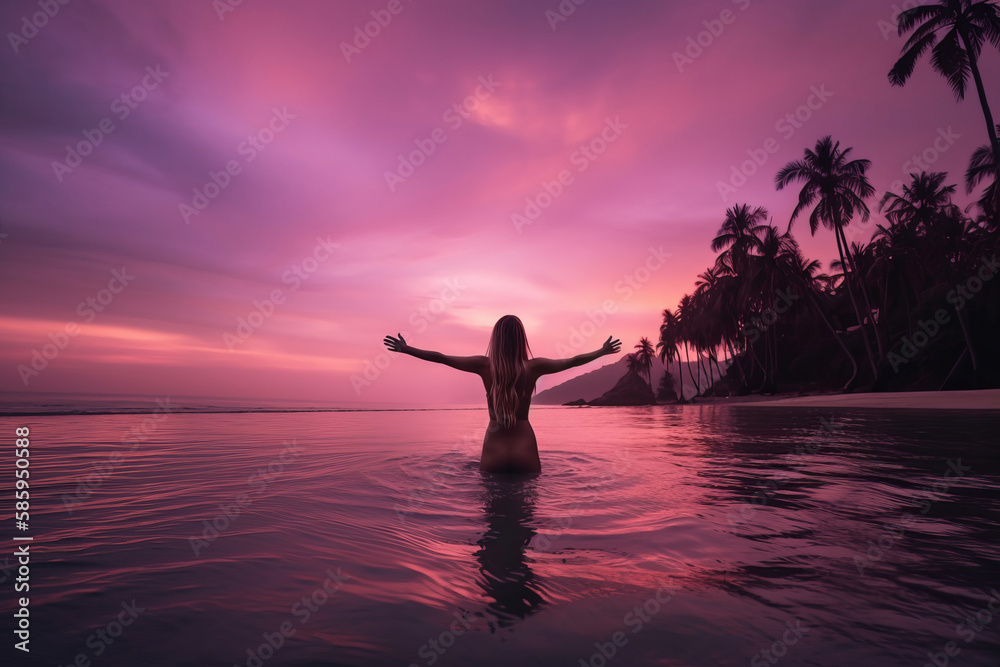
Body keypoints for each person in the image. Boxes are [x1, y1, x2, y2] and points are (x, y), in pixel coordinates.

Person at [383, 315, 621, 474]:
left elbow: (441, 357)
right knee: (526, 514)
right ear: (521, 340)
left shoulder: (483, 366)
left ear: (495, 339)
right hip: (524, 445)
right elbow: (573, 361)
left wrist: (407, 349)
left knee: (493, 516)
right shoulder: (534, 367)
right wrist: (602, 351)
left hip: (494, 447)